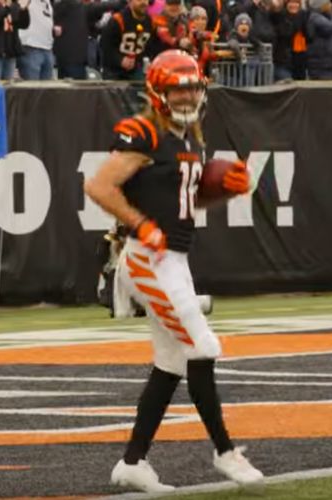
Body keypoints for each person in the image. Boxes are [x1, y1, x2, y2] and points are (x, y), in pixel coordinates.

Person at [83, 49, 263, 493]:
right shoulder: (143, 132)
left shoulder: (191, 139)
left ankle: (133, 462)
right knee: (203, 347)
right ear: (158, 92)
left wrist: (222, 191)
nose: (186, 95)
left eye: (192, 87)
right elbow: (99, 185)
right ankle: (225, 452)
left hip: (175, 260)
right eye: (177, 88)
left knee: (171, 362)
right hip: (146, 259)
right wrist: (141, 223)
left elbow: (185, 202)